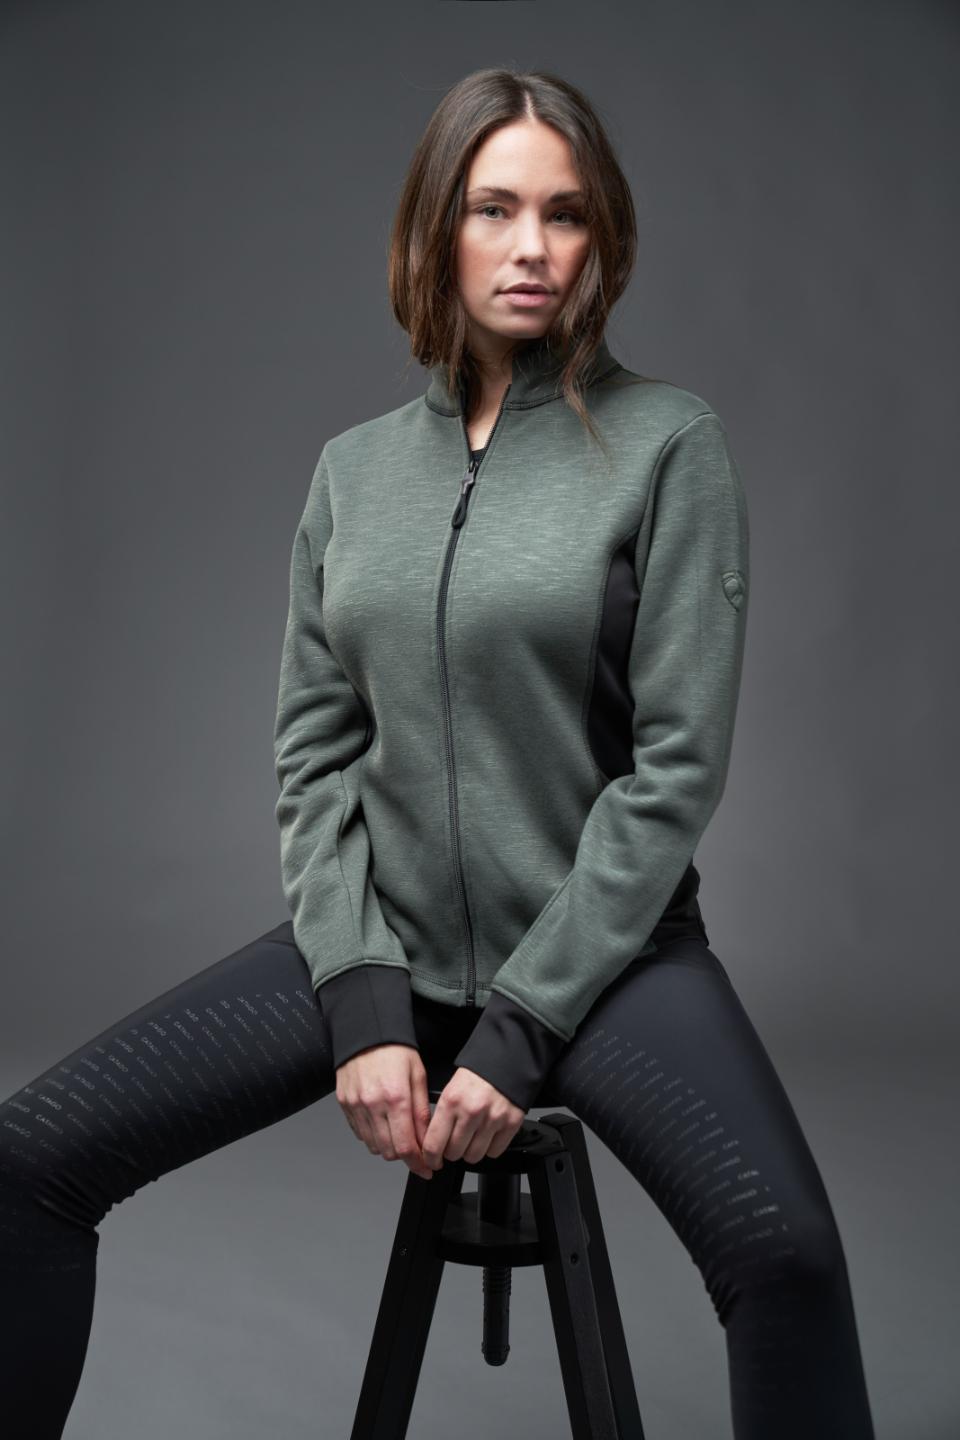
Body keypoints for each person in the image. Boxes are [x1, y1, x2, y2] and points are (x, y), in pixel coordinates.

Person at [0, 67, 876, 1440]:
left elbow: (672, 774)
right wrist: (361, 999)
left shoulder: (669, 447)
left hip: (601, 962)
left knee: (788, 1258)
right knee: (28, 1161)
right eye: (494, 208)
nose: (533, 248)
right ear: (435, 230)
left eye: (566, 215)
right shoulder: (353, 473)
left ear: (602, 239)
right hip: (383, 941)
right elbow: (313, 751)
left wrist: (519, 1032)